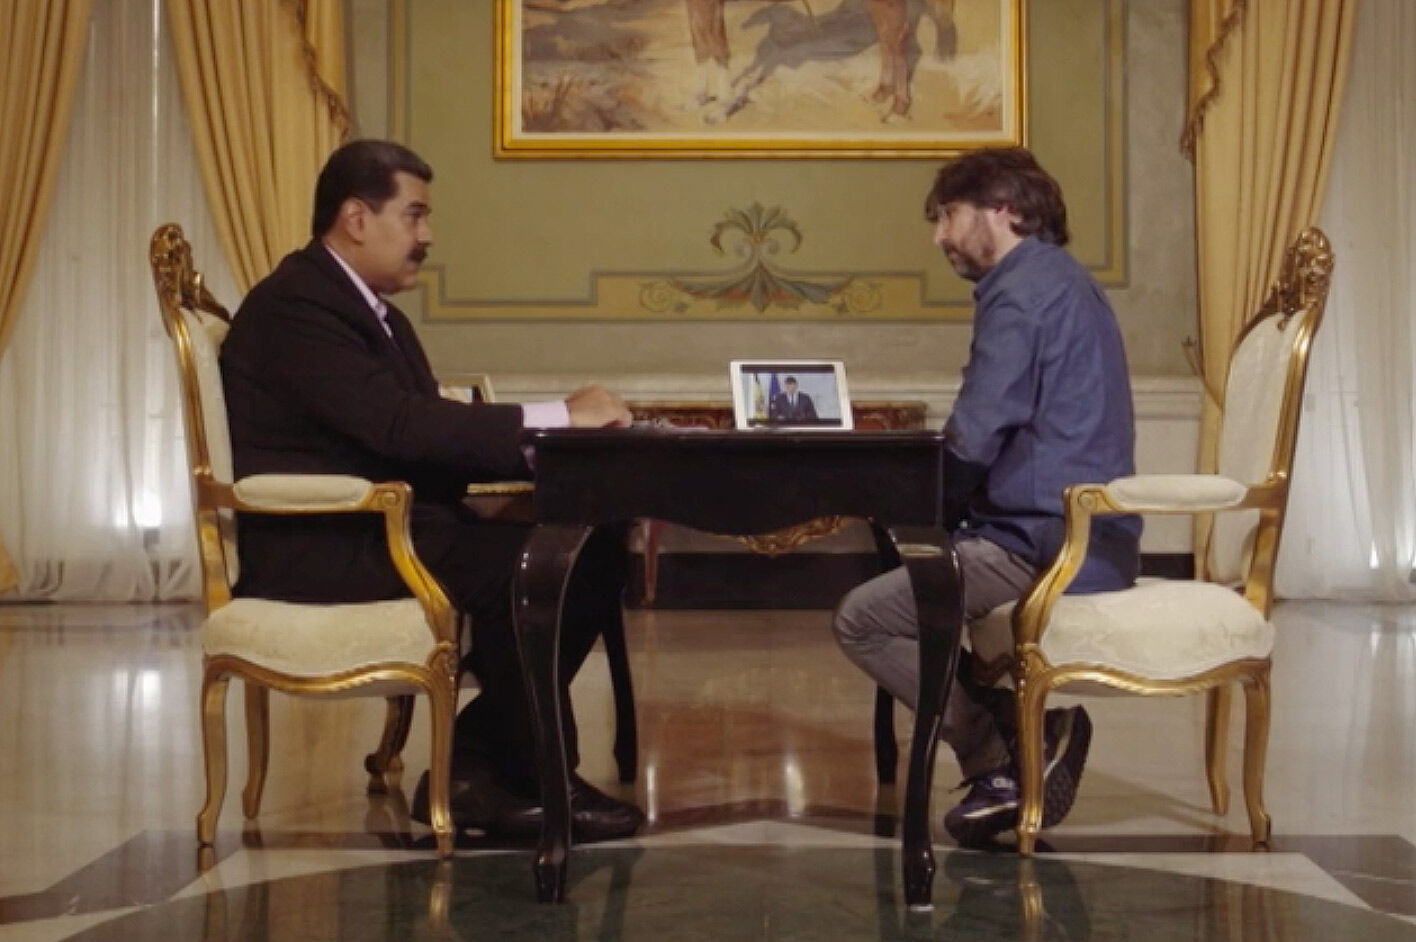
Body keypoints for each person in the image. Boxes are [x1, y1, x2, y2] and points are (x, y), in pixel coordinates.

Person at [220, 138, 644, 841]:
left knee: (586, 550)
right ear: (357, 218)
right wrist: (559, 417)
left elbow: (413, 437)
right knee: (545, 567)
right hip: (327, 546)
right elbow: (398, 425)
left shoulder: (371, 313)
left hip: (385, 530)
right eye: (414, 215)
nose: (428, 235)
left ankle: (479, 766)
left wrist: (521, 480)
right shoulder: (298, 305)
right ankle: (527, 775)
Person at [832, 147, 1140, 847]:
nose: (939, 237)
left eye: (948, 215)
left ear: (1003, 210)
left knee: (863, 620)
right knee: (919, 572)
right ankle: (1024, 737)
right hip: (1085, 534)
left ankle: (1002, 755)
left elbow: (976, 432)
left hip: (1045, 543)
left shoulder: (1021, 291)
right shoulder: (1062, 281)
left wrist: (916, 499)